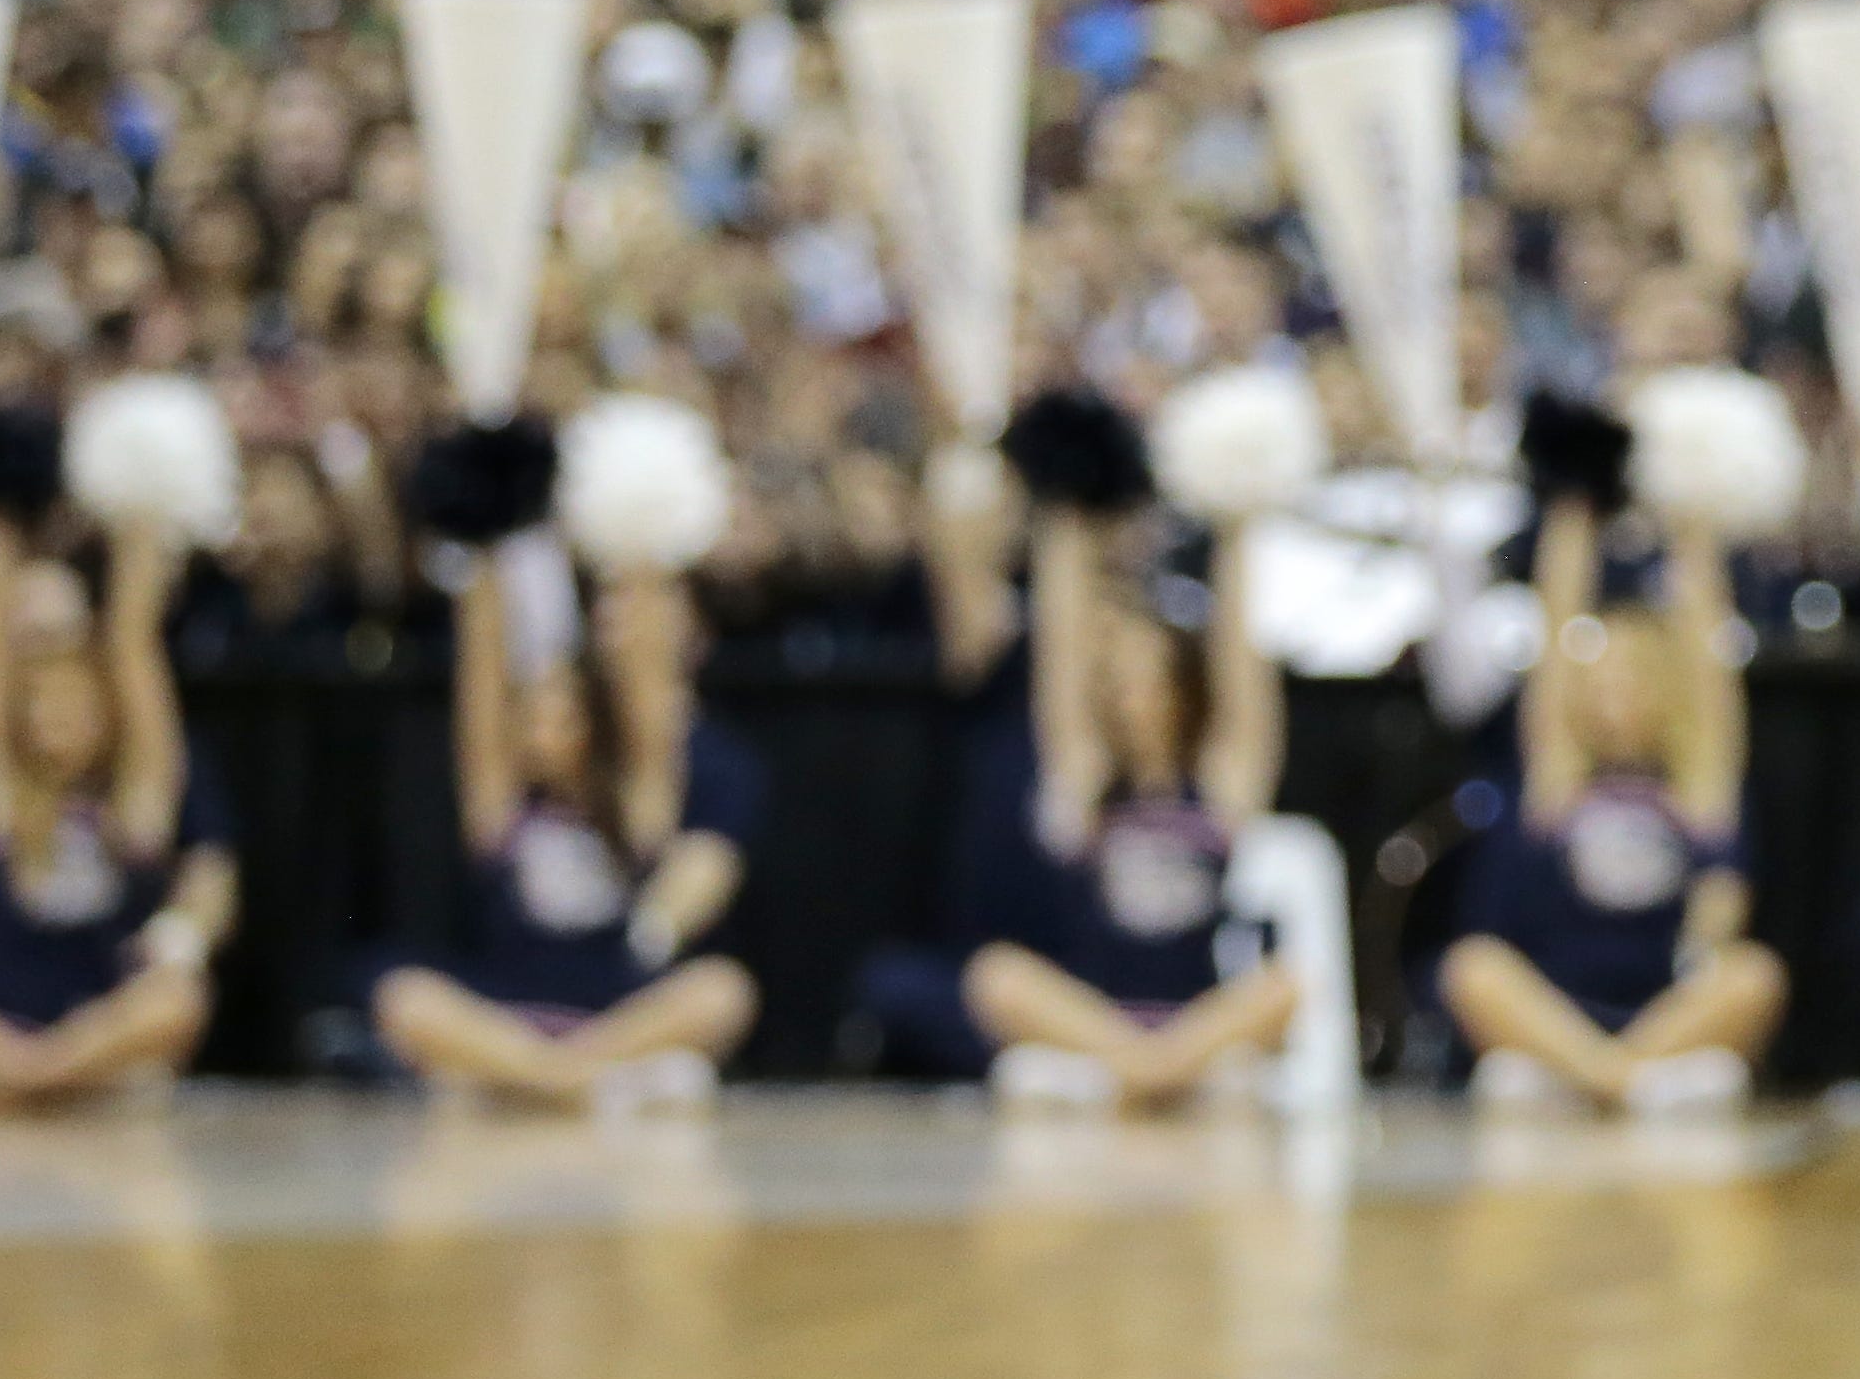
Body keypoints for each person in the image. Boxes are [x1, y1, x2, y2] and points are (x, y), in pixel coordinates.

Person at [868, 443, 1304, 1107]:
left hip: (1195, 1022)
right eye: (1117, 681)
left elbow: (1246, 678)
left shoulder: (1220, 784)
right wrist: (1065, 510)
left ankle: (1150, 1069)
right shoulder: (1085, 780)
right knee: (997, 973)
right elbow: (1061, 660)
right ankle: (1151, 1069)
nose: (1131, 697)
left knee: (1285, 985)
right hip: (1097, 1023)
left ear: (1181, 686)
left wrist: (1237, 519)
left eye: (1146, 677)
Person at [368, 544, 765, 1103]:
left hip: (615, 1012)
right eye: (530, 717)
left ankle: (522, 1082)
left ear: (596, 725)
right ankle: (581, 1083)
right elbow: (480, 699)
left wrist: (639, 540)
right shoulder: (503, 811)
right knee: (403, 996)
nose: (540, 733)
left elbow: (649, 690)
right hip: (512, 1012)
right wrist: (481, 553)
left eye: (561, 717)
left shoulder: (638, 804)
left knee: (724, 989)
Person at [1431, 491, 1784, 1114]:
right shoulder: (1559, 781)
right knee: (1472, 966)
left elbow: (1712, 681)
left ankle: (1590, 1080)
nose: (1614, 699)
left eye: (1632, 681)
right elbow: (1553, 648)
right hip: (1561, 1010)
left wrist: (1693, 514)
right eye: (1600, 682)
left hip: (1663, 1012)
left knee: (1755, 975)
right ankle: (1627, 1084)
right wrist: (1575, 500)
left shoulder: (1697, 787)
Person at [0, 508, 233, 1105]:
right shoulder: (1, 798)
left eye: (72, 703)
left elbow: (136, 655)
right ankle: (36, 1075)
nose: (52, 718)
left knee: (178, 999)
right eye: (38, 703)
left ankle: (29, 1077)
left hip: (92, 1025)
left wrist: (139, 557)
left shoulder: (132, 804)